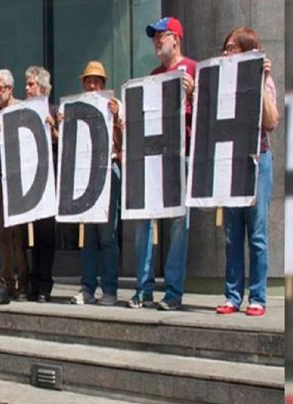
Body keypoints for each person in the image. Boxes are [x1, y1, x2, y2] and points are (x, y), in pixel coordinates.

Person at [128, 16, 196, 311]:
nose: (157, 41)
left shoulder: (193, 69)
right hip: (154, 157)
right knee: (144, 221)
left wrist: (194, 93)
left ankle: (173, 291)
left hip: (181, 156)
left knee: (180, 224)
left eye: (162, 35)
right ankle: (143, 289)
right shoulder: (154, 75)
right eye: (154, 36)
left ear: (176, 39)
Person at [215, 27, 278, 317]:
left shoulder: (265, 81)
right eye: (226, 48)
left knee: (257, 233)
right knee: (232, 235)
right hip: (230, 160)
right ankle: (232, 295)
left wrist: (261, 81)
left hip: (257, 159)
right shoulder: (222, 84)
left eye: (233, 48)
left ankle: (258, 297)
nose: (227, 53)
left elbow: (271, 122)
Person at [68, 61, 124, 306]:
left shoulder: (115, 105)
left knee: (107, 234)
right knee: (88, 236)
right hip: (84, 174)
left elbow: (124, 142)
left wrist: (117, 118)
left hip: (108, 169)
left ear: (103, 84)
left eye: (97, 81)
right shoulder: (77, 107)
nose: (92, 85)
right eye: (89, 81)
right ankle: (88, 288)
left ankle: (109, 289)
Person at [0, 68, 28, 300]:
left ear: (10, 89)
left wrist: (7, 132)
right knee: (1, 234)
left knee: (16, 235)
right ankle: (8, 278)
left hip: (16, 181)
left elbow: (26, 141)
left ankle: (23, 280)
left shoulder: (20, 109)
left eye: (0, 88)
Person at [25, 65, 57, 302]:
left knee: (45, 235)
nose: (27, 89)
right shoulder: (21, 114)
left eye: (31, 84)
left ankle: (44, 283)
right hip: (28, 184)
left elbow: (67, 146)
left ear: (43, 88)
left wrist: (54, 130)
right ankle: (32, 281)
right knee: (31, 236)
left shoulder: (54, 112)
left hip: (48, 183)